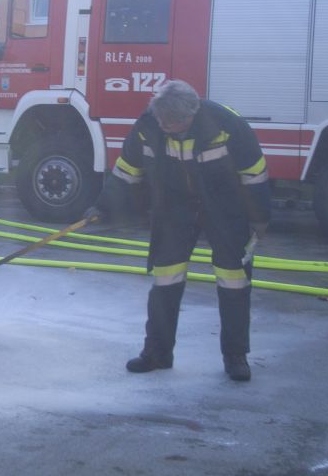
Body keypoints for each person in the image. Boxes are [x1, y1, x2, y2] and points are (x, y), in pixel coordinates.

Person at [85, 80, 270, 381]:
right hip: (173, 208)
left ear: (191, 115)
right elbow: (126, 171)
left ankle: (236, 356)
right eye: (161, 120)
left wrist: (259, 218)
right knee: (165, 279)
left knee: (234, 280)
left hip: (225, 207)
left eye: (172, 122)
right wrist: (102, 206)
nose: (165, 126)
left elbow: (254, 173)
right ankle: (157, 353)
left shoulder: (227, 125)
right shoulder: (148, 126)